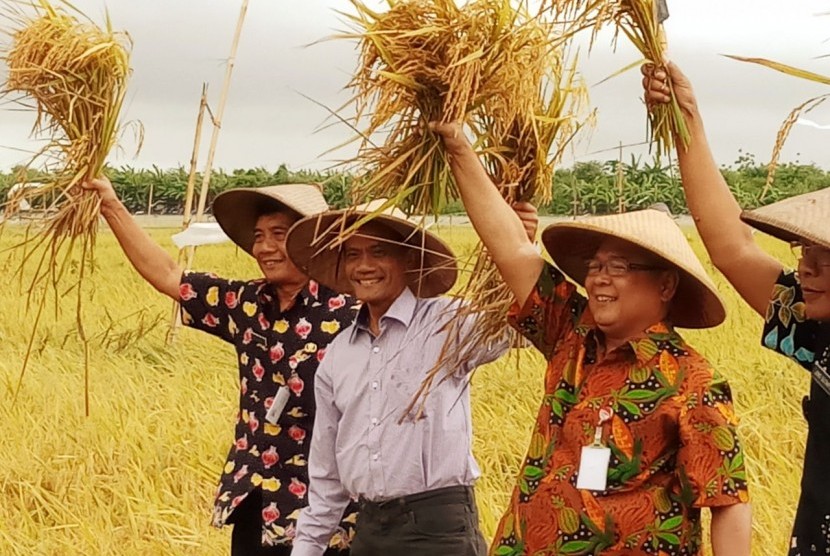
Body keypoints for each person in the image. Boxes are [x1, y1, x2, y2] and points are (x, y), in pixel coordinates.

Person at [430, 121, 752, 555]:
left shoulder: (693, 382)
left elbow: (727, 501)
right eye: (595, 267)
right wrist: (460, 151)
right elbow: (511, 247)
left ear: (666, 286)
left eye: (618, 267)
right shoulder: (571, 332)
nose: (599, 279)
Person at [82, 177, 359, 555]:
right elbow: (168, 275)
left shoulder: (353, 311)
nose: (264, 247)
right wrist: (111, 206)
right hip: (254, 499)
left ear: (313, 240)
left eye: (279, 234)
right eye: (259, 236)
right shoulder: (246, 303)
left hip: (326, 511)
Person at [644, 61, 830, 556]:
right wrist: (687, 123)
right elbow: (733, 250)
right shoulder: (819, 333)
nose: (806, 271)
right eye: (804, 255)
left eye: (825, 259)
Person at [287, 200, 537, 556]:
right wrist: (306, 548)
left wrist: (520, 246)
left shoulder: (446, 323)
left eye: (379, 252)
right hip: (370, 529)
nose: (364, 266)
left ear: (407, 260)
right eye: (353, 255)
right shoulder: (338, 355)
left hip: (439, 529)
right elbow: (327, 475)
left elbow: (517, 327)